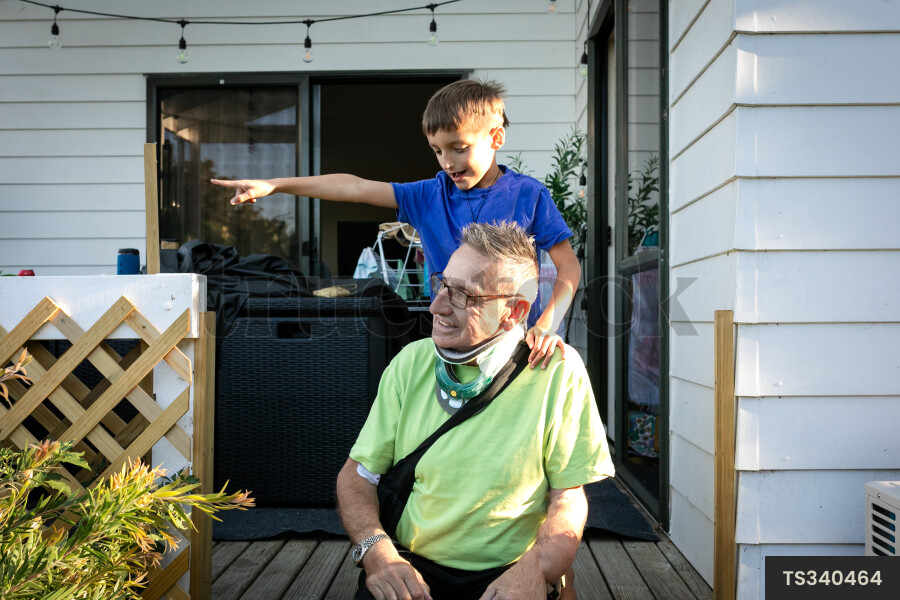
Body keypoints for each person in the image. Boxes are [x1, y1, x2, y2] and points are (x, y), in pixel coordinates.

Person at [211, 79, 580, 370]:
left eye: (458, 147)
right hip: (451, 341)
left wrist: (546, 324)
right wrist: (276, 185)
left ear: (495, 138)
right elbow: (354, 187)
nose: (447, 162)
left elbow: (568, 266)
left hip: (513, 343)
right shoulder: (428, 196)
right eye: (437, 151)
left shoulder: (527, 194)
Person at [335, 222, 614, 600]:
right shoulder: (409, 364)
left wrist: (539, 568)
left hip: (512, 570)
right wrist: (378, 554)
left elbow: (568, 497)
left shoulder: (558, 373)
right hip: (410, 566)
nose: (436, 306)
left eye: (464, 296)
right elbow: (357, 477)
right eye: (442, 285)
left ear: (513, 311)